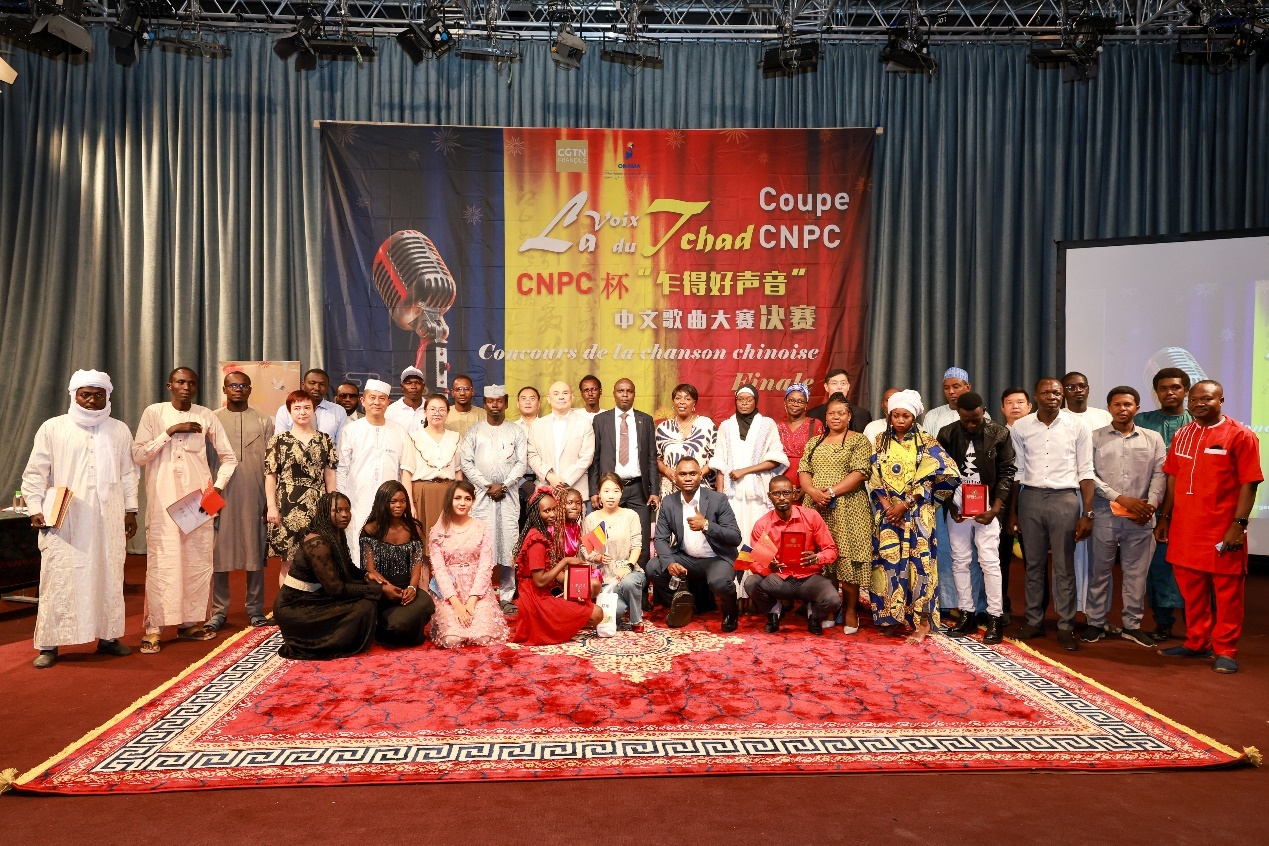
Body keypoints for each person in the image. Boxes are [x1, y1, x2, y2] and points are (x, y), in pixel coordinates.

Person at [22, 370, 139, 669]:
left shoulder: (119, 430)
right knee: (59, 577)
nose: (91, 400)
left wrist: (131, 510)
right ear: (74, 395)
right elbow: (36, 471)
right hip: (66, 518)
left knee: (108, 574)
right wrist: (34, 507)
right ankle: (49, 644)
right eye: (85, 394)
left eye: (98, 395)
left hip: (108, 517)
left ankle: (108, 637)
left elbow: (129, 473)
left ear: (107, 396)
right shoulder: (53, 428)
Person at [1155, 381, 1261, 674]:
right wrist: (1165, 517)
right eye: (1194, 399)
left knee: (1227, 594)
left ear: (1221, 401)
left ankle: (1226, 649)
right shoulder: (1182, 434)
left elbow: (1249, 482)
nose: (1199, 404)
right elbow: (1173, 477)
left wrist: (1239, 525)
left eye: (1207, 398)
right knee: (1192, 591)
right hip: (1185, 528)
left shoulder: (1241, 435)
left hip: (1222, 528)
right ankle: (1197, 642)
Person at [132, 367, 239, 654]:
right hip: (163, 501)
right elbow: (139, 455)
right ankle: (154, 627)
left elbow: (229, 458)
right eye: (180, 381)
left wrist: (217, 488)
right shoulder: (154, 413)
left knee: (196, 560)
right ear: (169, 385)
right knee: (162, 562)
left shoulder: (206, 416)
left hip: (199, 502)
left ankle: (189, 623)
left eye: (192, 383)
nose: (186, 387)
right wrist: (169, 432)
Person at [1008, 378, 1095, 652]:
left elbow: (1086, 470)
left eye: (1057, 392)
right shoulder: (1021, 427)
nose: (1052, 396)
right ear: (1035, 396)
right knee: (1033, 565)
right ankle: (1033, 621)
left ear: (1062, 396)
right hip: (1030, 498)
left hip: (1064, 500)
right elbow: (1017, 471)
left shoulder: (1078, 426)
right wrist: (1013, 512)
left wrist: (1087, 513)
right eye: (1046, 392)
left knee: (1064, 566)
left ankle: (1066, 625)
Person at [868, 390, 960, 644]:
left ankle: (922, 622)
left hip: (917, 513)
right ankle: (891, 618)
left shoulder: (926, 442)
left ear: (914, 416)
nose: (900, 420)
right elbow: (873, 474)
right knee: (888, 564)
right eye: (895, 415)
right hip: (888, 514)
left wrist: (906, 504)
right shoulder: (880, 441)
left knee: (919, 566)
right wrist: (888, 506)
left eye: (905, 416)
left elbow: (946, 472)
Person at [1086, 386, 1166, 647]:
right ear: (1109, 407)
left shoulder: (1153, 438)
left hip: (1141, 518)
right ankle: (1095, 622)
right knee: (1099, 573)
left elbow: (1160, 474)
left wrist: (1150, 506)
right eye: (1117, 404)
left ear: (1137, 408)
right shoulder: (1094, 437)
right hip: (1104, 515)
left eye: (1128, 404)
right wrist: (1119, 498)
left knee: (1136, 575)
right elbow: (1088, 474)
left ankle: (1132, 625)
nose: (1122, 409)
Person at [937, 392, 1016, 645]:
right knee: (960, 560)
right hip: (958, 503)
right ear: (958, 414)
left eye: (977, 419)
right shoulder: (947, 433)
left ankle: (994, 617)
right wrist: (950, 504)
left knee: (990, 561)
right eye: (966, 420)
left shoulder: (999, 433)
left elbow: (1007, 472)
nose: (972, 425)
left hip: (988, 504)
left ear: (984, 411)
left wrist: (996, 508)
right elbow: (939, 472)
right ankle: (966, 614)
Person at [273, 492, 381, 660]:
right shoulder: (317, 542)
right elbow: (336, 589)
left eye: (347, 510)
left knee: (368, 596)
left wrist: (368, 575)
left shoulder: (335, 533)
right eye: (337, 510)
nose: (344, 515)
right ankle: (330, 642)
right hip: (296, 606)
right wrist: (377, 591)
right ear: (324, 512)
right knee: (364, 605)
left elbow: (348, 568)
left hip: (316, 596)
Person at [798, 392, 873, 634]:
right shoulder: (814, 442)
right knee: (823, 560)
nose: (836, 417)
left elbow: (860, 473)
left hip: (849, 508)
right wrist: (813, 492)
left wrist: (830, 492)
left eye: (841, 413)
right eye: (831, 413)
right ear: (826, 416)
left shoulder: (859, 441)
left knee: (847, 558)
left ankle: (850, 610)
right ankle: (830, 607)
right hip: (817, 508)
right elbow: (803, 471)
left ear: (849, 416)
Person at [646, 457, 743, 632]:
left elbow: (735, 537)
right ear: (675, 477)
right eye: (683, 474)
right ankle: (686, 605)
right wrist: (670, 563)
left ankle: (730, 611)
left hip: (716, 558)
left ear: (700, 475)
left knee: (720, 583)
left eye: (692, 473)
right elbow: (660, 538)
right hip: (687, 558)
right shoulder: (669, 502)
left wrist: (706, 525)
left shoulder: (718, 499)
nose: (688, 478)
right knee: (654, 567)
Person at [209, 372, 274, 631]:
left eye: (243, 385)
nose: (238, 389)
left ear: (250, 389)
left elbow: (270, 465)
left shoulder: (263, 420)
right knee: (218, 554)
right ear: (224, 389)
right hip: (220, 494)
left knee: (254, 551)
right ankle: (218, 611)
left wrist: (270, 500)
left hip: (255, 495)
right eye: (233, 385)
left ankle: (255, 609)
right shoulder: (212, 419)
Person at [922, 368, 989, 620]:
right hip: (942, 494)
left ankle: (974, 605)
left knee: (974, 552)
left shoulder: (982, 415)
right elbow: (928, 455)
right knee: (945, 549)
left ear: (967, 386)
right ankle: (946, 602)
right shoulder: (934, 416)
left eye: (956, 386)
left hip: (975, 493)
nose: (951, 392)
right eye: (947, 387)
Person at [1134, 367, 1192, 641]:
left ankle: (1197, 626)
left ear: (1185, 391)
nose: (1169, 392)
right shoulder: (1142, 421)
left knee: (1193, 568)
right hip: (1153, 506)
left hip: (1192, 508)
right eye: (1163, 388)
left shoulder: (1197, 423)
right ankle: (1163, 622)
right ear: (1156, 392)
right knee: (1158, 566)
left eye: (1176, 387)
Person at [744, 476, 841, 635]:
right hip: (778, 579)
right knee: (751, 583)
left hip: (809, 578)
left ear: (794, 494)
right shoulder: (762, 524)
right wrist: (768, 568)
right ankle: (775, 610)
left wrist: (817, 558)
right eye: (776, 494)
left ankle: (813, 614)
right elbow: (753, 561)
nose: (781, 498)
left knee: (833, 600)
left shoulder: (811, 516)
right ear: (769, 496)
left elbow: (831, 550)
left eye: (786, 493)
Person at [460, 385, 527, 613]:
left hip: (509, 494)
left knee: (509, 545)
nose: (495, 405)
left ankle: (506, 596)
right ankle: (483, 595)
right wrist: (486, 485)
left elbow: (521, 463)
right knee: (482, 545)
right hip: (481, 495)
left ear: (506, 402)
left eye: (499, 401)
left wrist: (505, 485)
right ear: (485, 403)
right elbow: (466, 463)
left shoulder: (516, 432)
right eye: (490, 401)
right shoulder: (474, 432)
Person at [512, 489, 603, 645]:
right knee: (597, 614)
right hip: (536, 600)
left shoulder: (540, 533)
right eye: (546, 511)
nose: (553, 514)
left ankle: (559, 623)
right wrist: (565, 562)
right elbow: (540, 581)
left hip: (540, 593)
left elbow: (550, 571)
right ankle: (551, 626)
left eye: (554, 509)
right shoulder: (537, 540)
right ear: (536, 513)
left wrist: (575, 584)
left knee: (587, 598)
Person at [336, 379, 415, 556]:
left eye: (382, 398)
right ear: (363, 401)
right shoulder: (351, 430)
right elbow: (342, 469)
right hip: (357, 499)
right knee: (356, 544)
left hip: (389, 501)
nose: (377, 402)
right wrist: (342, 501)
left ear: (388, 402)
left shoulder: (399, 431)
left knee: (387, 542)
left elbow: (404, 470)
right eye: (372, 398)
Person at [428, 480, 510, 648]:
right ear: (450, 500)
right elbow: (439, 570)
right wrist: (456, 604)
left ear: (473, 501)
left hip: (477, 590)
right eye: (457, 498)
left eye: (467, 498)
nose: (462, 503)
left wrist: (472, 601)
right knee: (451, 640)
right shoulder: (437, 531)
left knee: (482, 638)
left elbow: (485, 566)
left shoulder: (482, 527)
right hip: (449, 593)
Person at [588, 378, 659, 567]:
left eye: (629, 391)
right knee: (602, 538)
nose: (625, 395)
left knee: (641, 540)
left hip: (638, 489)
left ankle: (639, 583)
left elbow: (652, 458)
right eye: (621, 391)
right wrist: (594, 491)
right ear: (614, 394)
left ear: (634, 394)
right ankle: (603, 580)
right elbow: (595, 458)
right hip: (609, 489)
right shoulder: (601, 420)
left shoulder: (645, 420)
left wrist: (654, 491)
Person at [266, 390, 338, 569]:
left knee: (319, 560)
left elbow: (330, 474)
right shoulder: (278, 440)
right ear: (289, 411)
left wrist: (332, 504)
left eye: (307, 407)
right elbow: (271, 475)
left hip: (318, 504)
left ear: (314, 410)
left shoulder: (325, 440)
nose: (302, 412)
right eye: (297, 408)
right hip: (287, 506)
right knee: (288, 562)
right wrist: (271, 507)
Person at [1061, 370, 1113, 613]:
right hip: (1069, 493)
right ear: (1063, 392)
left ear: (1088, 389)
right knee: (1071, 555)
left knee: (1099, 557)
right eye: (1071, 387)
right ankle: (1072, 609)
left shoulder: (1103, 416)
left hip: (1101, 495)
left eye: (1082, 386)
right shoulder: (1059, 417)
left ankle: (1096, 612)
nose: (1077, 390)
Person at [360, 481, 435, 646]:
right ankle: (392, 627)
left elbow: (416, 562)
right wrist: (386, 588)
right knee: (397, 624)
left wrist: (413, 587)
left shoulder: (413, 528)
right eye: (393, 501)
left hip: (406, 590)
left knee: (428, 604)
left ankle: (395, 628)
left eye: (402, 501)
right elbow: (369, 569)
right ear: (382, 502)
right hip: (381, 590)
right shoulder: (370, 530)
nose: (399, 506)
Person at [712, 385, 788, 538]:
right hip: (732, 492)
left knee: (760, 534)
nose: (744, 403)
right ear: (735, 401)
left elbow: (775, 460)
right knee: (733, 533)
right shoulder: (726, 426)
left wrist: (744, 471)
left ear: (756, 401)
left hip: (758, 493)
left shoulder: (767, 424)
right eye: (740, 399)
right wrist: (720, 497)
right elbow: (720, 463)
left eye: (749, 399)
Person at [583, 474, 648, 630]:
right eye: (606, 491)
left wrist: (628, 567)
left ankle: (636, 620)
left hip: (628, 571)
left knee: (628, 582)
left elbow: (636, 546)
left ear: (621, 493)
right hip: (605, 577)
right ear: (599, 494)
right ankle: (625, 603)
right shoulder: (592, 518)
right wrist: (598, 557)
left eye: (615, 491)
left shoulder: (630, 515)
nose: (611, 496)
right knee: (616, 610)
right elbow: (585, 549)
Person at [995, 386, 1034, 620]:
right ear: (1002, 408)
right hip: (1003, 502)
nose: (1015, 406)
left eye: (1020, 402)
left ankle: (1035, 612)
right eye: (1009, 403)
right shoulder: (996, 435)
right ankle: (1001, 606)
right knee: (1000, 557)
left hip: (1031, 499)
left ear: (1029, 407)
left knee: (1034, 560)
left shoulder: (1039, 434)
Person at [526, 380, 596, 499]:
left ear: (572, 398)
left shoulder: (584, 423)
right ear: (548, 399)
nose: (561, 397)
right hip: (545, 490)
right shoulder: (537, 425)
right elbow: (532, 455)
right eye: (556, 393)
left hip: (575, 491)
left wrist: (563, 482)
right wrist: (550, 476)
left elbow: (586, 457)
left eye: (565, 393)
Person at [407, 393, 462, 539]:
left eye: (442, 409)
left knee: (449, 539)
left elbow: (458, 472)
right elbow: (406, 473)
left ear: (448, 412)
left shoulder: (456, 437)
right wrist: (410, 503)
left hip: (448, 493)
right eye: (432, 409)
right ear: (424, 412)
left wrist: (459, 498)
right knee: (423, 539)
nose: (437, 413)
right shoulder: (413, 437)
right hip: (422, 493)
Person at [654, 383, 717, 497]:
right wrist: (668, 472)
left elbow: (716, 457)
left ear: (694, 403)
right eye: (678, 398)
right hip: (671, 489)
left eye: (687, 399)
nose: (682, 402)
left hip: (702, 487)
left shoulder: (706, 425)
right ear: (673, 402)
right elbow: (657, 459)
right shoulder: (663, 428)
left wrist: (698, 475)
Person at [775, 383, 823, 497]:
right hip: (781, 483)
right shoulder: (777, 426)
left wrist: (806, 488)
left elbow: (821, 458)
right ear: (785, 401)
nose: (795, 404)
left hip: (809, 482)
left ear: (806, 404)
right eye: (791, 400)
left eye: (800, 401)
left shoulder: (815, 424)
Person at [274, 368, 345, 441]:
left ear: (327, 388)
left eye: (322, 384)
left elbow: (341, 444)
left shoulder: (338, 411)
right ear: (303, 385)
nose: (317, 388)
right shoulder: (285, 410)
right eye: (312, 383)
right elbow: (280, 442)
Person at [921, 367, 985, 436]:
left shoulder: (979, 415)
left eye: (956, 387)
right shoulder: (932, 416)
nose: (951, 391)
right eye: (946, 388)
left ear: (968, 387)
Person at [807, 368, 872, 434]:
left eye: (843, 383)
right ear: (826, 387)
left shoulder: (862, 415)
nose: (839, 387)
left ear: (848, 386)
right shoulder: (813, 414)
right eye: (834, 383)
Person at [515, 386, 542, 530]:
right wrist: (522, 482)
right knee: (518, 529)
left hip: (542, 484)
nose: (528, 402)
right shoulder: (511, 428)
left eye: (532, 398)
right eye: (523, 399)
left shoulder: (547, 427)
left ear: (539, 404)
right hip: (516, 486)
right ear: (517, 404)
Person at [385, 366, 427, 433]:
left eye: (417, 383)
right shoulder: (391, 411)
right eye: (408, 383)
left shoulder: (431, 409)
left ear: (423, 386)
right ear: (402, 386)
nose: (413, 387)